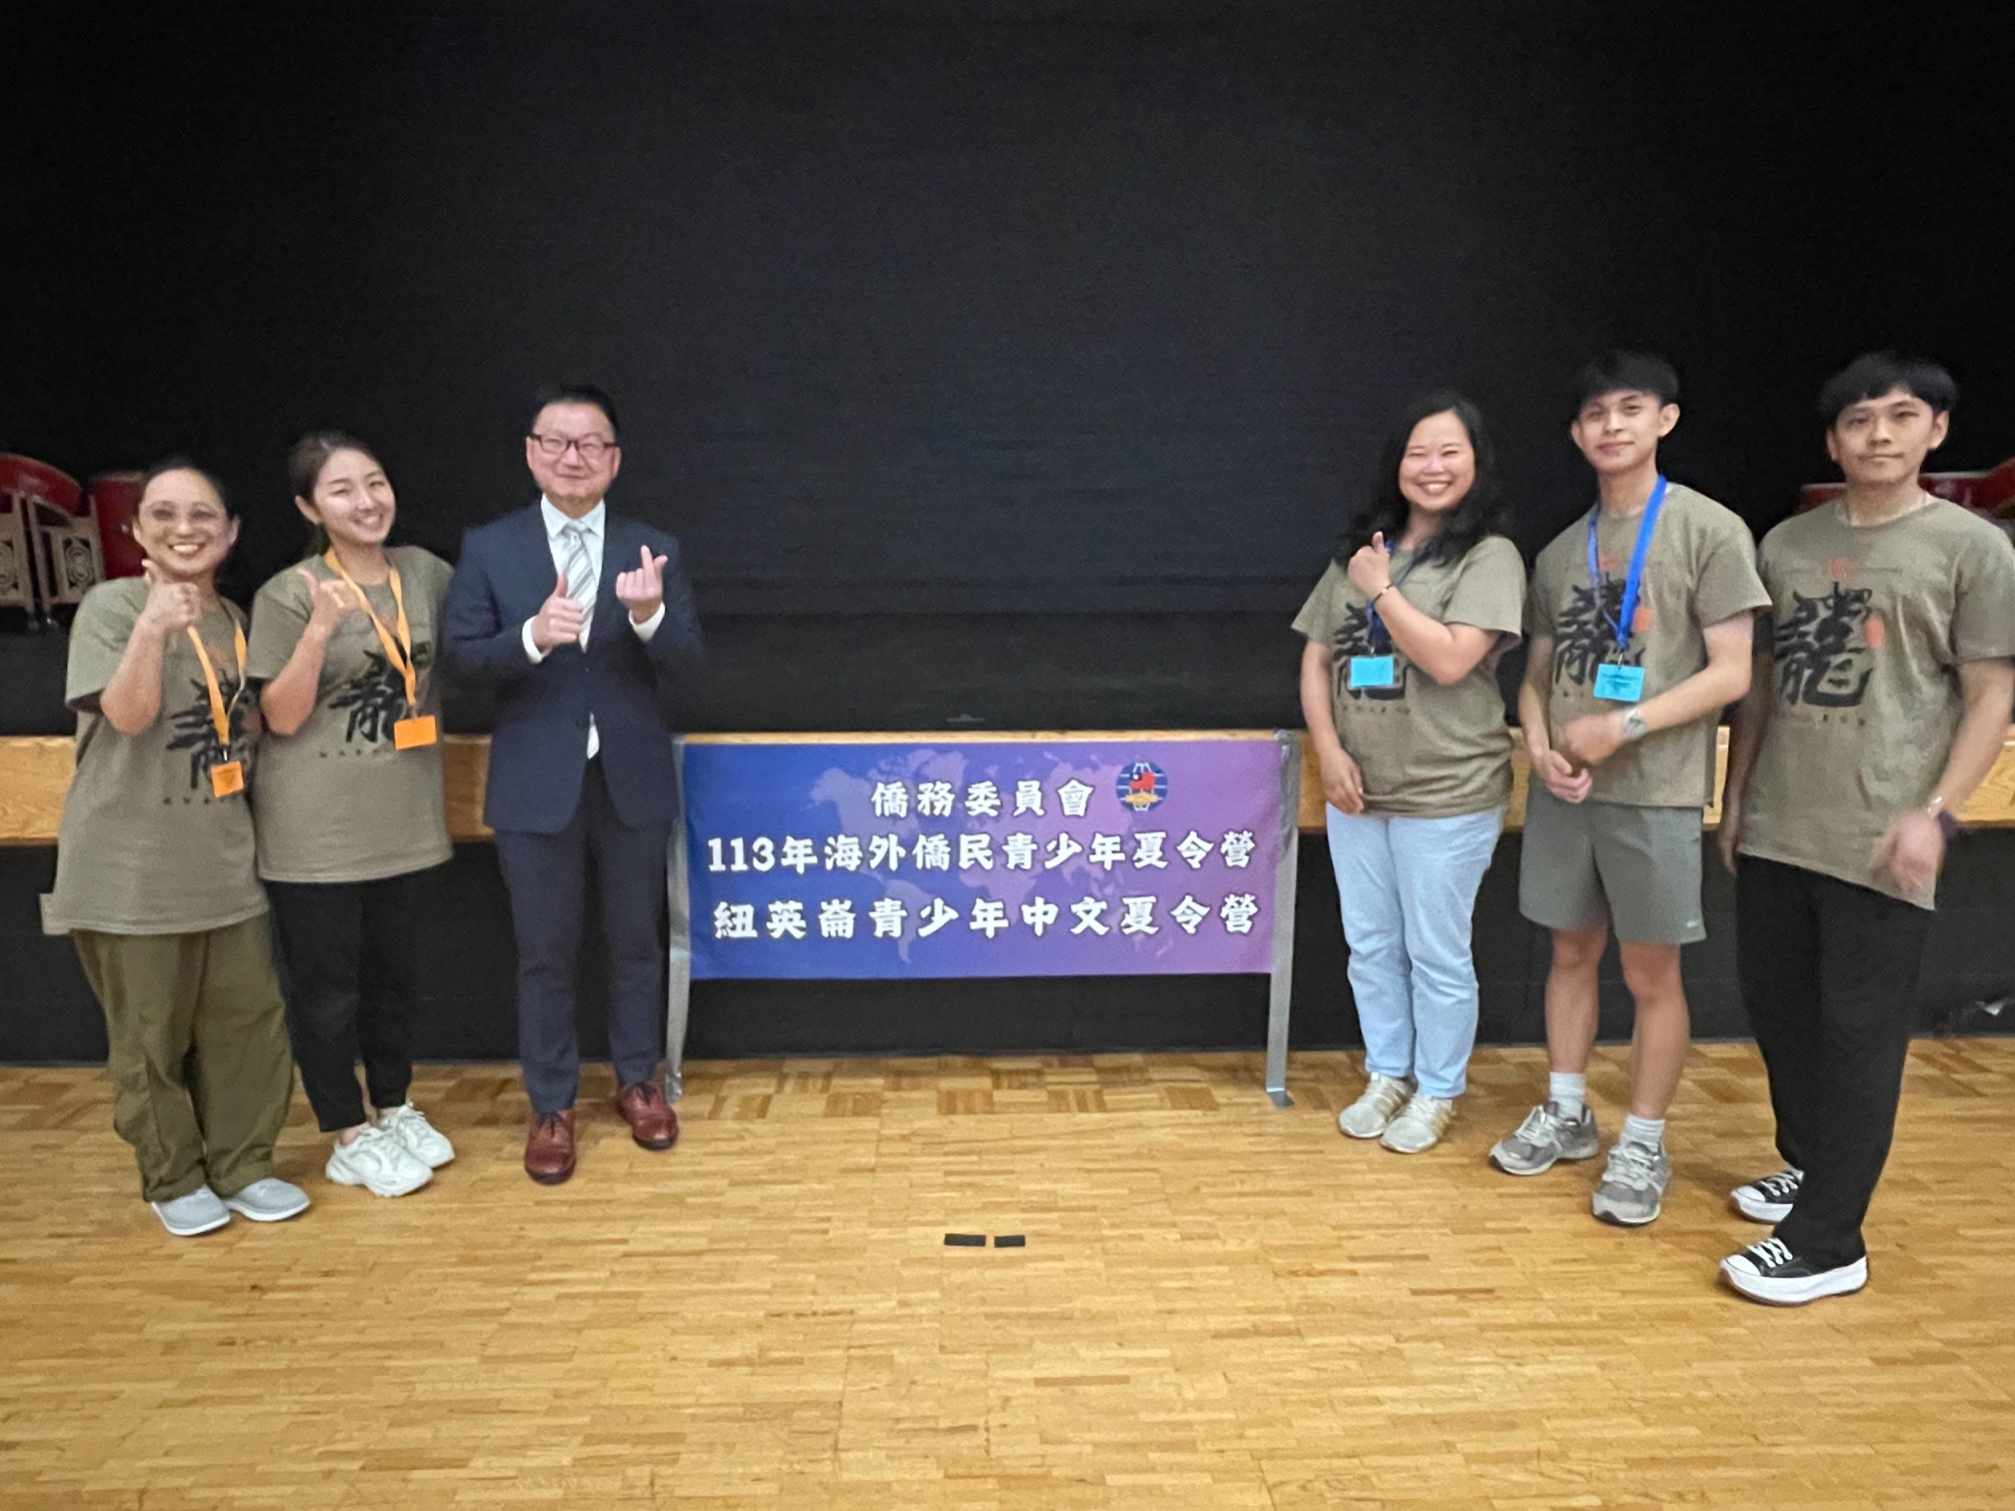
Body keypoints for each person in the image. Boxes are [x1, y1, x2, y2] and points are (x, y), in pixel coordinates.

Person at [1716, 354, 2015, 1304]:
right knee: (1779, 1012)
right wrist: (1737, 796)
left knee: (1857, 1036)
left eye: (1900, 415)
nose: (1877, 434)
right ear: (1831, 439)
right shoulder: (1786, 544)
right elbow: (1761, 685)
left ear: (1936, 430)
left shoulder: (1971, 547)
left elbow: (1990, 693)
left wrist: (1936, 813)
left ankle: (1828, 1241)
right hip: (1778, 824)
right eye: (1856, 420)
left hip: (1883, 834)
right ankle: (1810, 1167)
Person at [1489, 351, 1768, 1226]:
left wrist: (1624, 726)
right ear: (1575, 433)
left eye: (1630, 408)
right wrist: (1540, 744)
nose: (1611, 426)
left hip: (1655, 789)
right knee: (1568, 955)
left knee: (1651, 972)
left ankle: (1642, 1140)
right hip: (1567, 793)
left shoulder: (1708, 529)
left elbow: (1732, 672)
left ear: (1664, 419)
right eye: (1594, 414)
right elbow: (1536, 676)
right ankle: (1566, 1108)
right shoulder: (1557, 552)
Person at [441, 384, 702, 1183]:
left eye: (590, 443)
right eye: (556, 441)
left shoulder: (652, 547)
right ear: (531, 453)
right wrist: (528, 636)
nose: (572, 456)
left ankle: (637, 1081)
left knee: (634, 941)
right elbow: (460, 658)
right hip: (535, 778)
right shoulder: (491, 547)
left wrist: (650, 617)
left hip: (630, 775)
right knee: (544, 951)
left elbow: (687, 659)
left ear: (614, 460)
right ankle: (550, 1104)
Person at [40, 460, 308, 1236]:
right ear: (134, 529)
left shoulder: (235, 619)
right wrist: (154, 625)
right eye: (163, 513)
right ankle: (174, 1176)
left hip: (223, 861)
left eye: (202, 514)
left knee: (246, 1024)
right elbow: (127, 715)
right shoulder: (112, 606)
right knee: (149, 1034)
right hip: (130, 868)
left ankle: (243, 1163)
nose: (184, 528)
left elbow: (246, 729)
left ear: (231, 531)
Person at [1294, 392, 1525, 1153]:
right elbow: (1316, 658)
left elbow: (1451, 660)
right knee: (1370, 944)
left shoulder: (1488, 555)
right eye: (1417, 453)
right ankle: (1387, 1073)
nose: (1431, 467)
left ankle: (1437, 1090)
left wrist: (1382, 590)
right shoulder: (1363, 550)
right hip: (1359, 789)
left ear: (1476, 462)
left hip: (1447, 792)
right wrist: (1329, 750)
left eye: (1449, 452)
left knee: (1435, 950)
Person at [248, 432, 458, 1199]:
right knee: (327, 991)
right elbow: (279, 715)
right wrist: (317, 628)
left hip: (403, 819)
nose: (366, 501)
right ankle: (345, 1130)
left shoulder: (424, 571)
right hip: (317, 829)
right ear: (309, 508)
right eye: (342, 490)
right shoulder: (288, 591)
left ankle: (394, 1105)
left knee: (393, 980)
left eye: (375, 482)